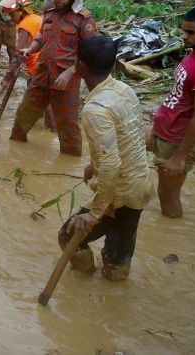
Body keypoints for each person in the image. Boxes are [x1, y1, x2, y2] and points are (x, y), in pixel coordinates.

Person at [58, 35, 155, 281]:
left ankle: (82, 280)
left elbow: (111, 166)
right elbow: (130, 136)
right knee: (118, 255)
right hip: (140, 184)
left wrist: (94, 213)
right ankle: (114, 291)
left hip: (119, 192)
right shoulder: (125, 89)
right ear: (112, 64)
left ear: (79, 65)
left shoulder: (95, 110)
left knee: (69, 234)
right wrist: (94, 165)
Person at [10, 0, 98, 156]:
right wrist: (30, 49)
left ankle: (70, 160)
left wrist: (70, 72)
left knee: (68, 125)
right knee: (24, 114)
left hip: (66, 81)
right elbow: (41, 36)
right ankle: (15, 149)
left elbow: (91, 51)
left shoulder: (84, 19)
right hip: (42, 74)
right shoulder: (49, 13)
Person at [149, 4, 195, 218]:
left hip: (178, 139)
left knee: (167, 193)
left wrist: (180, 156)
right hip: (166, 131)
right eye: (183, 30)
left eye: (191, 32)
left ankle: (171, 233)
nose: (183, 36)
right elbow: (178, 95)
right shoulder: (194, 53)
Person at [2, 0, 56, 129]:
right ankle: (44, 124)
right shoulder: (35, 18)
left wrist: (8, 76)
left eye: (12, 15)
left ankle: (51, 130)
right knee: (44, 96)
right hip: (49, 62)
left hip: (40, 65)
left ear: (21, 11)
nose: (12, 19)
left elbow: (19, 54)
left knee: (43, 100)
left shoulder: (25, 25)